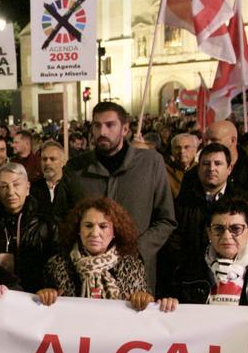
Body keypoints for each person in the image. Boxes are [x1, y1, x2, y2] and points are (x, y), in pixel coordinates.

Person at [65, 101, 176, 290]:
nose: (103, 132)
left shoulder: (150, 164)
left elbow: (166, 220)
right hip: (86, 275)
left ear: (125, 129)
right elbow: (63, 218)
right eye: (97, 125)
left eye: (110, 125)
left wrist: (137, 251)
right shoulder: (75, 168)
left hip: (136, 275)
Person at [158, 198, 248, 318]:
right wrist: (169, 304)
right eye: (218, 229)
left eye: (236, 229)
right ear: (209, 233)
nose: (226, 236)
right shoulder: (187, 270)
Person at [36, 197, 161, 312]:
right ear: (78, 230)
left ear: (114, 232)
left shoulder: (132, 266)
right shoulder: (57, 265)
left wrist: (143, 299)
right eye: (88, 226)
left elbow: (147, 309)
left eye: (103, 226)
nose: (95, 233)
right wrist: (46, 294)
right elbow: (41, 309)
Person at [167, 144, 248, 269]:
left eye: (218, 163)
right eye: (206, 163)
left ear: (229, 169)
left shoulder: (243, 201)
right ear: (198, 168)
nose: (211, 168)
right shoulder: (183, 202)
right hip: (192, 272)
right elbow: (175, 241)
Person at [0, 163, 57, 293]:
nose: (10, 192)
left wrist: (48, 288)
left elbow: (54, 265)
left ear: (27, 187)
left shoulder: (46, 223)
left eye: (16, 185)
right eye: (4, 186)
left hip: (35, 296)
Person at [32, 141, 73, 220]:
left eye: (52, 159)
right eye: (44, 159)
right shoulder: (33, 189)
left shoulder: (72, 187)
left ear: (62, 162)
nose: (47, 163)